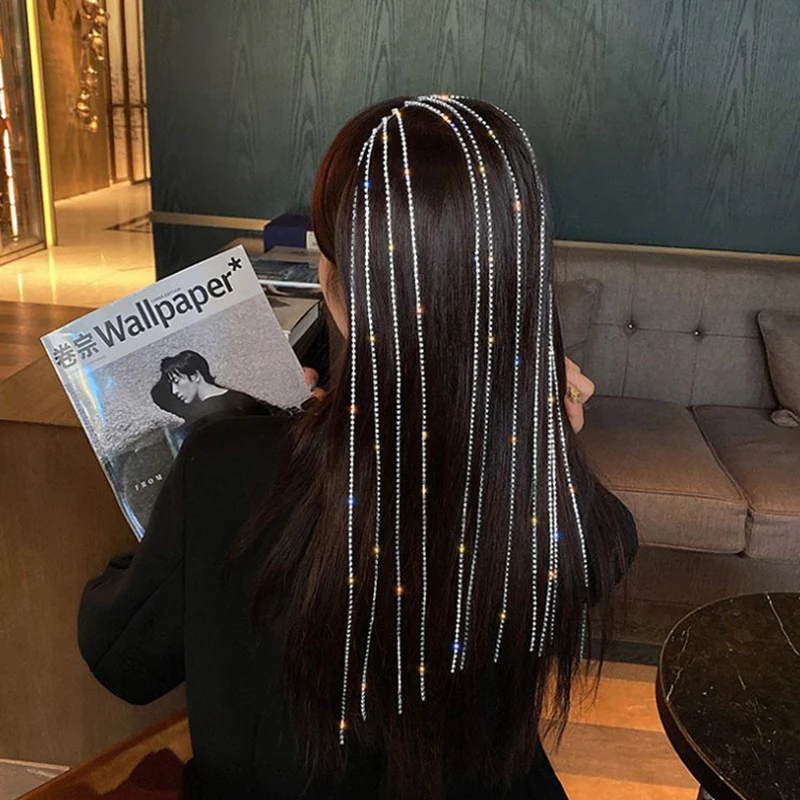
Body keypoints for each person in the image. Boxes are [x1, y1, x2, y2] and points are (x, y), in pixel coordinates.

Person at [78, 96, 637, 799]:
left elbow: (123, 659)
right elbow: (608, 547)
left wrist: (241, 442)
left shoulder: (226, 468)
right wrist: (539, 438)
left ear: (335, 287)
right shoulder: (549, 497)